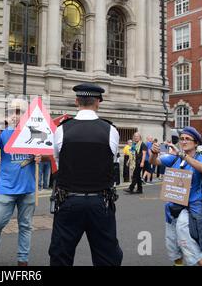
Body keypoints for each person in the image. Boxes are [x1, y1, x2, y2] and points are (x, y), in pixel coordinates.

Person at [49, 83, 123, 266]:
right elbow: (111, 161)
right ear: (98, 102)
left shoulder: (61, 129)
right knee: (106, 256)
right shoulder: (111, 130)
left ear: (76, 101)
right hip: (101, 202)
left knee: (61, 255)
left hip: (68, 201)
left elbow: (58, 161)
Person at [0, 99, 40, 266]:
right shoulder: (4, 132)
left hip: (28, 188)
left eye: (19, 111)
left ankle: (23, 261)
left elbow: (48, 151)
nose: (15, 115)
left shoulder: (33, 132)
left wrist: (40, 157)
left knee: (26, 226)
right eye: (12, 111)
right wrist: (0, 128)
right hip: (7, 188)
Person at [150, 127, 202, 266]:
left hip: (190, 209)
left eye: (187, 139)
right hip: (172, 209)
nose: (183, 141)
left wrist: (183, 155)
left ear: (196, 143)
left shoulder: (201, 158)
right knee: (173, 246)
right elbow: (155, 162)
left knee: (186, 243)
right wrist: (153, 153)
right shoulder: (174, 158)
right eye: (182, 138)